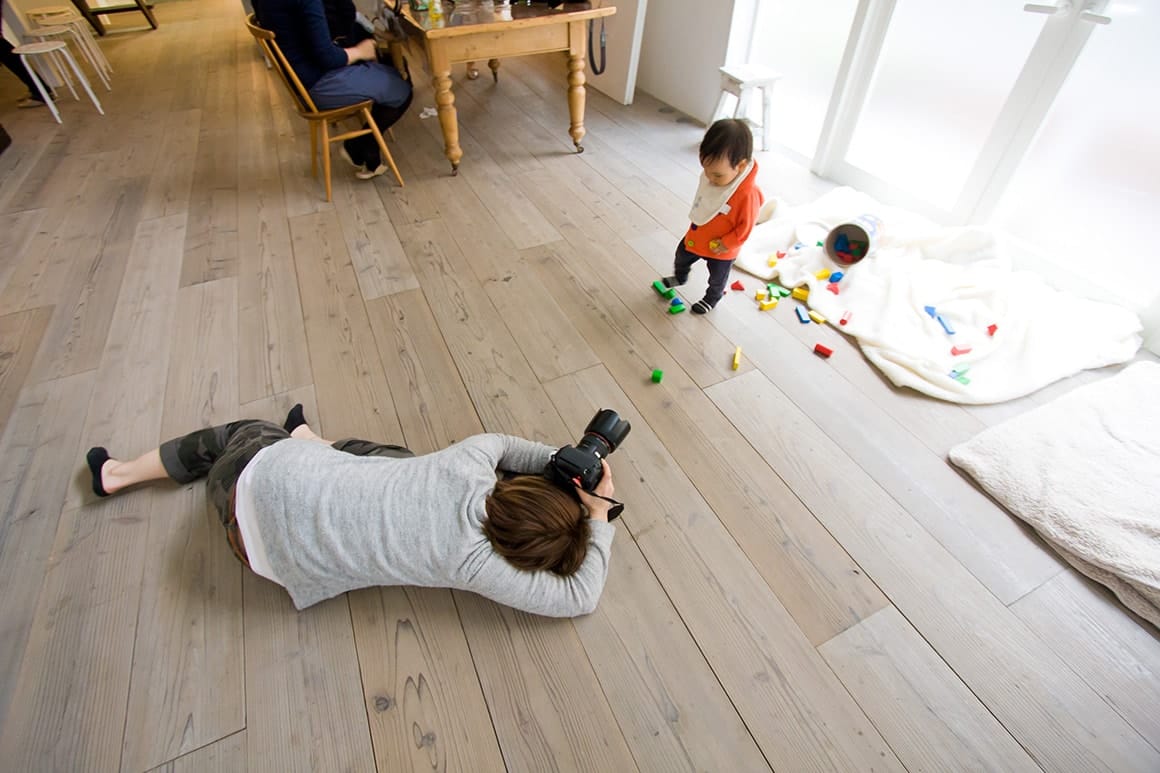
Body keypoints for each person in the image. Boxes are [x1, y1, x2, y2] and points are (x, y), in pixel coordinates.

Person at [84, 406, 618, 617]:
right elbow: (581, 597)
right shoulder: (475, 565)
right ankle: (313, 441)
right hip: (260, 556)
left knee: (246, 432)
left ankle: (118, 475)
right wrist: (596, 523)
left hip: (250, 487)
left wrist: (566, 464)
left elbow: (506, 441)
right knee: (395, 463)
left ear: (526, 485)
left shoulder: (471, 459)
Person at [253, 0, 413, 180]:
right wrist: (361, 51)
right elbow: (329, 58)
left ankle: (366, 149)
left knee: (391, 64)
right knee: (402, 87)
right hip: (319, 84)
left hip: (301, 81)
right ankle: (360, 146)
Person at [660, 118, 764, 314]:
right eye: (705, 170)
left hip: (721, 248)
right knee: (681, 256)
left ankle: (712, 297)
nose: (709, 178)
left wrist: (728, 242)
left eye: (717, 175)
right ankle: (681, 277)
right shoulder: (713, 175)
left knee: (717, 277)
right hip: (697, 236)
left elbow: (746, 227)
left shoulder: (747, 194)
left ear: (740, 166)